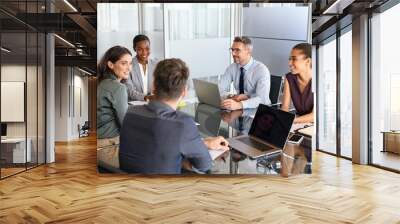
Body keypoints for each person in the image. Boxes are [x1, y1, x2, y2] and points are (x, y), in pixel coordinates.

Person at [119, 58, 229, 174]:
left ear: (153, 87)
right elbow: (204, 165)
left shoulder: (130, 113)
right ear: (184, 92)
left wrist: (203, 143)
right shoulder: (183, 124)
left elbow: (156, 147)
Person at [97, 46, 132, 170]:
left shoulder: (101, 82)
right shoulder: (117, 87)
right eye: (124, 63)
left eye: (130, 63)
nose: (129, 68)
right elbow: (126, 125)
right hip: (109, 146)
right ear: (111, 64)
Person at [219, 36, 271, 110]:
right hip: (241, 109)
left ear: (248, 51)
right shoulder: (232, 67)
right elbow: (219, 88)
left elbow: (262, 99)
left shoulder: (261, 70)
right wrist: (231, 96)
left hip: (260, 111)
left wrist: (242, 103)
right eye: (232, 50)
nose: (233, 53)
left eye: (237, 50)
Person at [281, 43, 313, 123]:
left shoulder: (320, 79)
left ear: (308, 61)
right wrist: (281, 119)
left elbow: (314, 115)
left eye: (294, 59)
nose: (289, 63)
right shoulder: (289, 78)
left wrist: (290, 121)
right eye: (289, 59)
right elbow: (285, 107)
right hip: (299, 124)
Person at [124, 34, 158, 101]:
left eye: (147, 48)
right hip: (134, 104)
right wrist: (146, 97)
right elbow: (130, 91)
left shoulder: (155, 64)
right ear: (134, 49)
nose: (144, 52)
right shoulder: (128, 65)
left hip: (152, 103)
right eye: (140, 49)